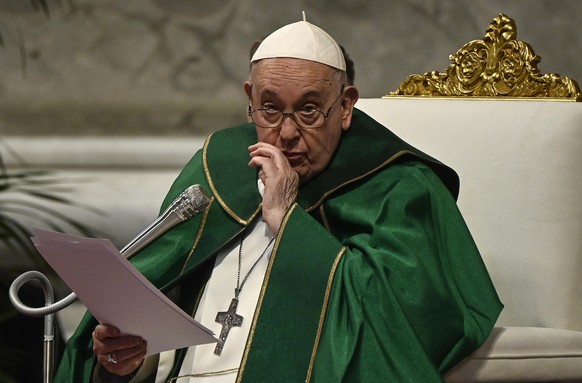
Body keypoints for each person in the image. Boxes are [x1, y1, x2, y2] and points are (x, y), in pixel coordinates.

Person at [55, 14, 502, 383]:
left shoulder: (399, 187)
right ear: (250, 99)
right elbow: (162, 302)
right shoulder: (218, 166)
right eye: (270, 109)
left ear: (346, 106)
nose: (287, 133)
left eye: (309, 109)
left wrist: (286, 221)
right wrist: (132, 362)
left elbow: (401, 326)